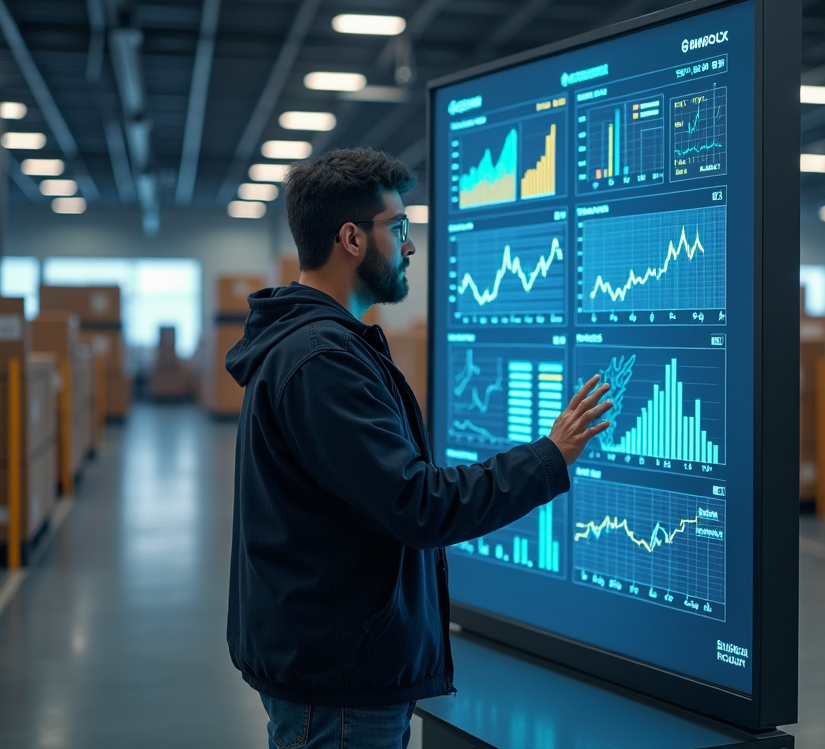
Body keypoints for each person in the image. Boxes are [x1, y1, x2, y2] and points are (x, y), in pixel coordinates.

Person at [226, 148, 611, 749]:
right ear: (351, 238)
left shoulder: (314, 347)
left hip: (331, 668)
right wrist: (548, 458)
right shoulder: (322, 361)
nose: (409, 246)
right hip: (339, 689)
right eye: (399, 228)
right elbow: (417, 503)